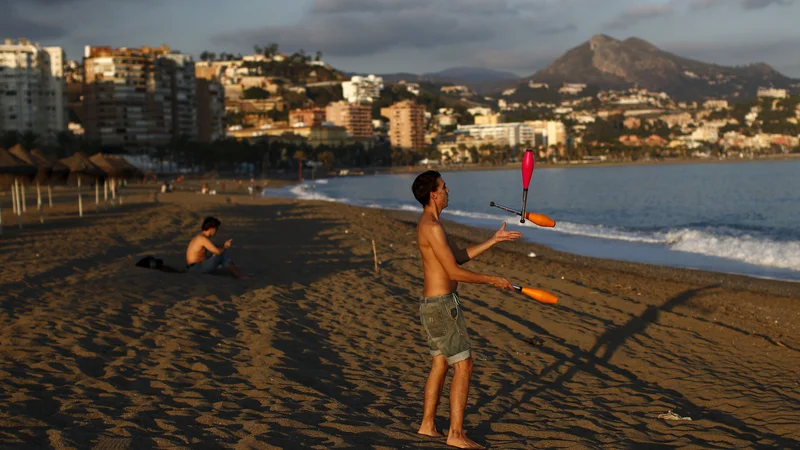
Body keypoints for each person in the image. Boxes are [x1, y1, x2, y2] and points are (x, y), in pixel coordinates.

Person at [412, 170, 521, 449]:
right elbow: (453, 271)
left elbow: (458, 257)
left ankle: (427, 425)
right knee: (464, 365)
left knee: (440, 363)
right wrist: (492, 279)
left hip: (433, 307)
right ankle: (456, 434)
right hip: (441, 306)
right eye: (444, 187)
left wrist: (493, 240)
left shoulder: (432, 224)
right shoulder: (432, 227)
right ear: (434, 194)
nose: (449, 190)